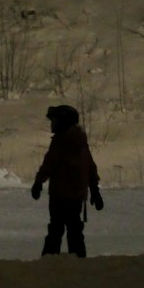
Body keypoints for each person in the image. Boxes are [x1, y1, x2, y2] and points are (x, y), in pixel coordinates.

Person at [31, 104, 102, 257]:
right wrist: (95, 190)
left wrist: (38, 182)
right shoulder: (80, 141)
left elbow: (49, 164)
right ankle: (77, 260)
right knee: (74, 230)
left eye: (55, 121)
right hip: (76, 196)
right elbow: (90, 167)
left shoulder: (61, 141)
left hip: (59, 195)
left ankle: (50, 261)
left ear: (64, 122)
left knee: (56, 230)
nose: (52, 124)